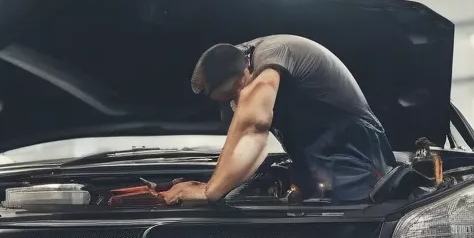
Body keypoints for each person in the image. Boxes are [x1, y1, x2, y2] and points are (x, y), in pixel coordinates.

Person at [164, 35, 394, 206]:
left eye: (235, 95)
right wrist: (209, 182)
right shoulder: (244, 68)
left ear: (240, 80)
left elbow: (254, 125)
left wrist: (209, 191)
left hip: (356, 158)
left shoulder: (274, 53)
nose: (236, 103)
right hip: (316, 160)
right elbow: (237, 141)